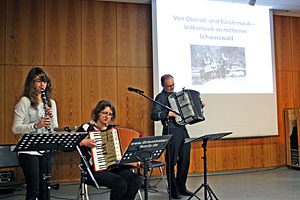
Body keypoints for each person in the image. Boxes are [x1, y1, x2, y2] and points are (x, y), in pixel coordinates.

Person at [150, 74, 204, 199]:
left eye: (173, 84)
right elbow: (153, 115)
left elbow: (189, 111)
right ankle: (173, 190)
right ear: (163, 85)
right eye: (169, 85)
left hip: (182, 130)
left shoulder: (179, 96)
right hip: (170, 131)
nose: (172, 87)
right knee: (171, 161)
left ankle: (182, 187)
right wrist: (166, 113)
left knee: (185, 160)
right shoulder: (160, 97)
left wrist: (199, 107)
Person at [77, 100, 141, 200]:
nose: (107, 117)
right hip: (94, 170)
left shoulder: (113, 130)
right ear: (97, 113)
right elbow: (69, 146)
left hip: (114, 167)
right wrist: (83, 142)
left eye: (110, 114)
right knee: (120, 183)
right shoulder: (86, 128)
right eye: (104, 113)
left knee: (135, 180)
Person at [12, 67, 58, 200]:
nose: (42, 84)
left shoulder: (51, 103)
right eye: (38, 81)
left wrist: (50, 123)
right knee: (34, 189)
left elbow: (54, 128)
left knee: (45, 188)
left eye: (44, 81)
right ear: (31, 83)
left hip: (45, 149)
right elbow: (15, 128)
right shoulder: (25, 101)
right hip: (28, 151)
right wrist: (35, 125)